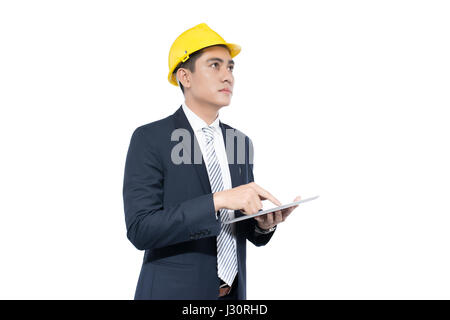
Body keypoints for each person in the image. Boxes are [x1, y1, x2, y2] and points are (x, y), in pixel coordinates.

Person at [122, 22, 301, 300]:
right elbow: (141, 230)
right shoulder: (150, 138)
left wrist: (262, 225)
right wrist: (218, 200)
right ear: (185, 76)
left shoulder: (240, 142)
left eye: (230, 67)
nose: (227, 76)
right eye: (214, 66)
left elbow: (235, 227)